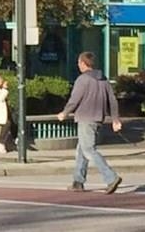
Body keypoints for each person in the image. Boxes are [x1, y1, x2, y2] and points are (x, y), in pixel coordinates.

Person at [57, 51, 122, 194]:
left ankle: (111, 177)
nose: (78, 65)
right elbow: (112, 101)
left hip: (85, 118)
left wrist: (65, 112)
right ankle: (78, 182)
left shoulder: (82, 80)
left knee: (88, 150)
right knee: (82, 149)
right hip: (98, 118)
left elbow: (75, 100)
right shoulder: (103, 80)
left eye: (79, 62)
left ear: (83, 63)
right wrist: (115, 119)